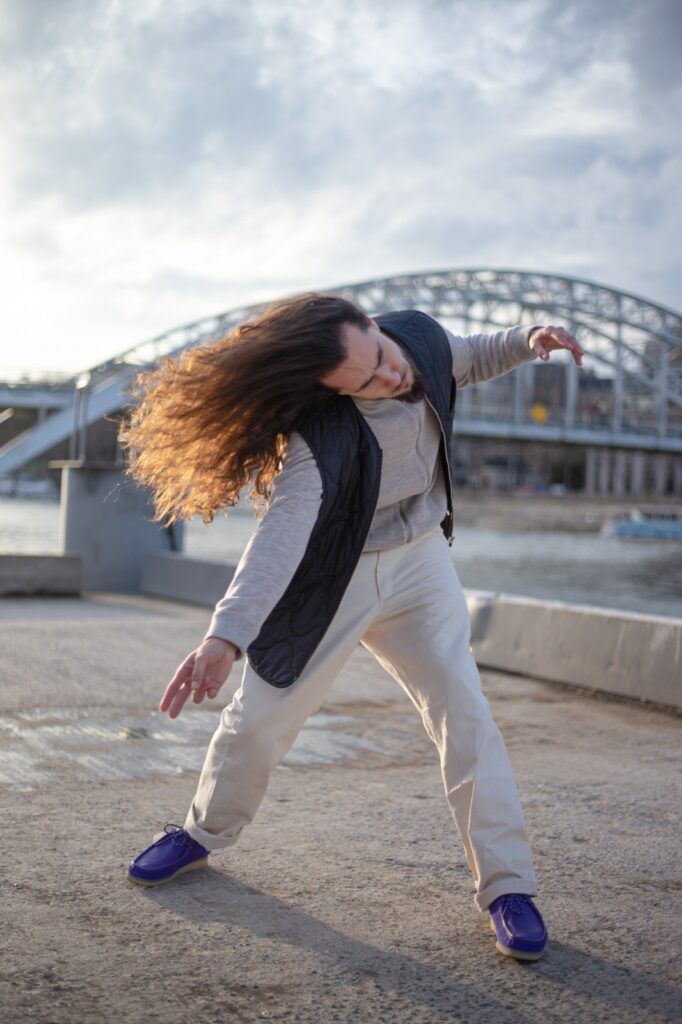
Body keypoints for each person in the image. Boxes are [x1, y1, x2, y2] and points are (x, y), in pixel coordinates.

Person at [121, 292, 583, 961]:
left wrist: (527, 337)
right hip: (333, 576)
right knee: (257, 718)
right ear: (332, 390)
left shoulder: (419, 339)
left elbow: (471, 356)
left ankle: (509, 887)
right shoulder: (319, 437)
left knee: (465, 712)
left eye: (382, 359)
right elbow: (278, 540)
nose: (390, 378)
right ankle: (202, 832)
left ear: (375, 326)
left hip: (420, 562)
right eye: (365, 382)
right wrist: (225, 638)